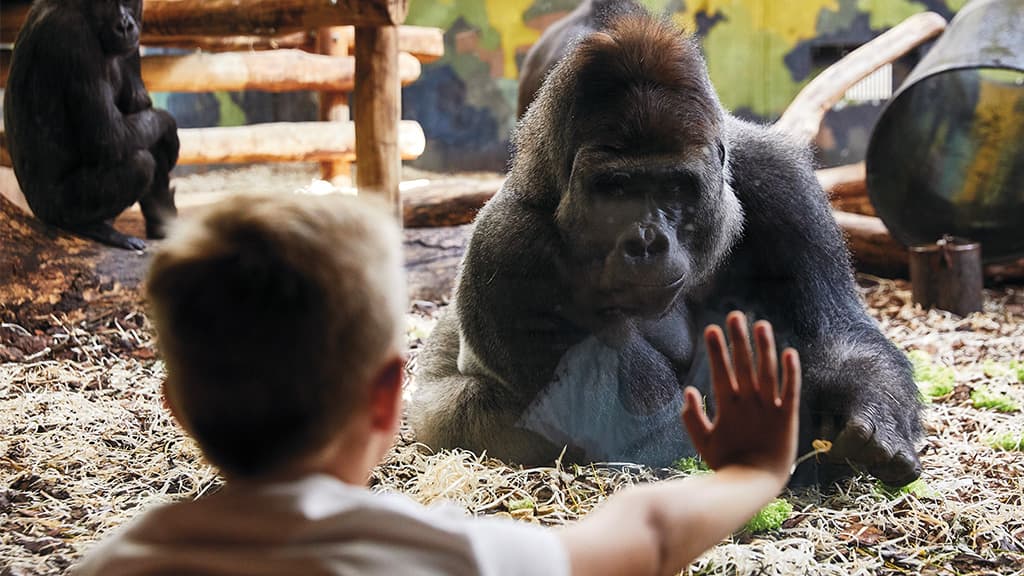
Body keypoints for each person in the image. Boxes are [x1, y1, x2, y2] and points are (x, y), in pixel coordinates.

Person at [74, 192, 801, 576]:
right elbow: (645, 536)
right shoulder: (441, 557)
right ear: (388, 396)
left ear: (178, 410)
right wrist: (756, 470)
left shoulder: (109, 564)